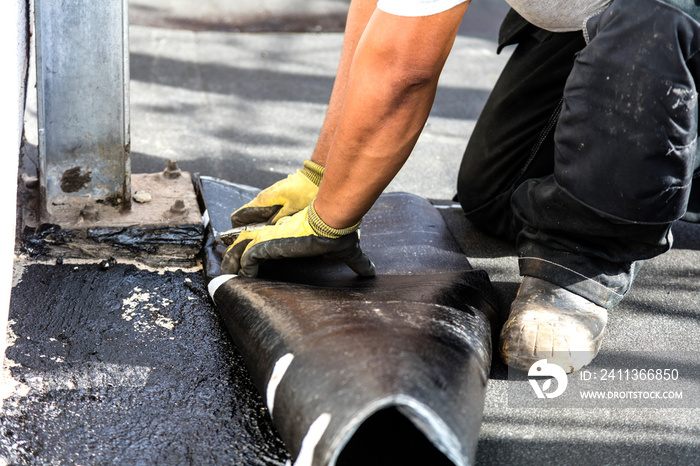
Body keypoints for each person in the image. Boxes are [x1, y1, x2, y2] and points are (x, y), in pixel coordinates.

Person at [221, 0, 700, 373]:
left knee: (657, 17)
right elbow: (384, 25)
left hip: (659, 22)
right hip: (604, 23)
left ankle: (577, 270)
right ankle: (667, 160)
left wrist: (329, 223)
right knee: (500, 194)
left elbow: (405, 71)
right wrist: (322, 175)